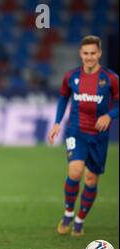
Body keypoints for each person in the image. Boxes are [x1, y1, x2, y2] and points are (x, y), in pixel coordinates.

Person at [48, 35, 118, 236]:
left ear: (100, 54)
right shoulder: (71, 77)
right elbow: (63, 98)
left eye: (93, 53)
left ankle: (80, 220)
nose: (89, 57)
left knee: (91, 179)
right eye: (86, 53)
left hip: (99, 137)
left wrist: (109, 115)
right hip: (75, 131)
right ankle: (68, 213)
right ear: (80, 53)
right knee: (75, 172)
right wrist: (57, 123)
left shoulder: (111, 79)